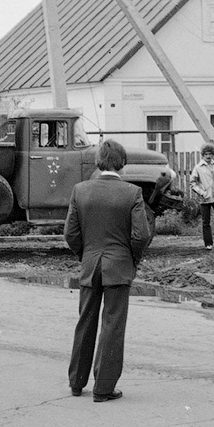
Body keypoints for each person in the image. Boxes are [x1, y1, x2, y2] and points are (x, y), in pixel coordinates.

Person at [65, 140, 151, 403]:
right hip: (118, 266)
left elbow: (70, 234)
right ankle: (103, 388)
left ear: (98, 162)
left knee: (85, 322)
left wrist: (86, 256)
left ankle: (77, 383)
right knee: (112, 325)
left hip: (90, 264)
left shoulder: (80, 190)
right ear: (123, 163)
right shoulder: (132, 193)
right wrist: (131, 260)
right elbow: (141, 235)